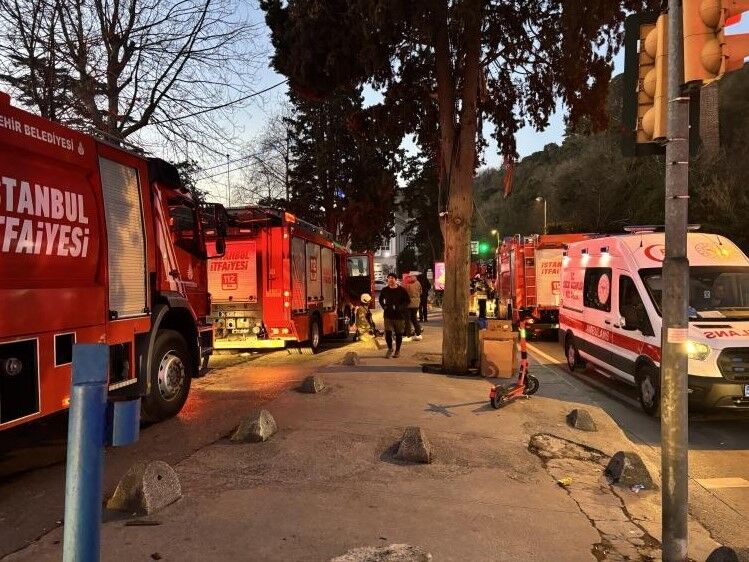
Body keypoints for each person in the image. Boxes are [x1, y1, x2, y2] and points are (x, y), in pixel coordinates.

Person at [378, 273, 410, 358]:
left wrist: (400, 307)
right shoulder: (385, 290)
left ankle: (397, 350)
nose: (390, 280)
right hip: (388, 315)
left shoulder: (402, 290)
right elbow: (380, 299)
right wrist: (384, 306)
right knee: (388, 333)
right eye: (389, 278)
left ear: (396, 280)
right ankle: (390, 348)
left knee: (399, 334)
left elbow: (407, 301)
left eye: (392, 278)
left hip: (399, 316)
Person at [404, 274, 423, 340]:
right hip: (416, 303)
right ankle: (419, 334)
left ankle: (408, 336)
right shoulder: (418, 283)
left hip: (408, 303)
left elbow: (403, 293)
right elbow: (421, 292)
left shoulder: (406, 283)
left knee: (407, 320)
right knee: (414, 319)